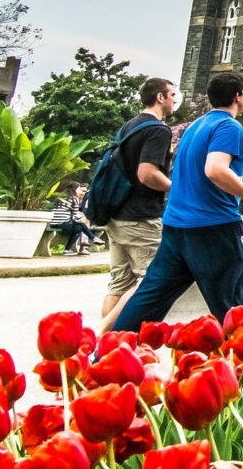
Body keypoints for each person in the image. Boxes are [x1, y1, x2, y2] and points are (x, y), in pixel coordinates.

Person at [111, 73, 243, 330]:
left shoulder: (194, 127)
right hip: (213, 227)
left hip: (177, 227)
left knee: (149, 300)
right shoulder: (229, 126)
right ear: (238, 96)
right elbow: (215, 169)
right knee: (233, 309)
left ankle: (106, 357)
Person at [100, 78, 177, 331]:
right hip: (140, 218)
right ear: (160, 98)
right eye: (172, 95)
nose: (175, 100)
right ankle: (104, 335)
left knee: (119, 283)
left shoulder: (129, 126)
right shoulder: (158, 129)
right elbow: (147, 174)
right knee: (149, 280)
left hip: (116, 213)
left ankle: (108, 346)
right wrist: (176, 188)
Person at [49, 184, 98, 255]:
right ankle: (92, 238)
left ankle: (70, 250)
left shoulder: (60, 197)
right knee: (79, 226)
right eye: (79, 189)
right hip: (63, 223)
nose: (81, 191)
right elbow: (74, 216)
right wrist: (81, 220)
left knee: (78, 227)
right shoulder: (74, 198)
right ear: (74, 189)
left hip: (53, 223)